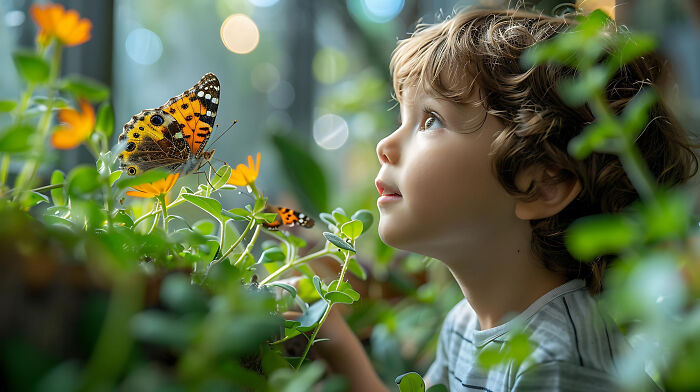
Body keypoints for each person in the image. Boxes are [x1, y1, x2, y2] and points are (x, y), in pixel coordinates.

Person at [311, 7, 697, 391]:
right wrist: (332, 340)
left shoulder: (557, 363)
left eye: (431, 120)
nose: (385, 145)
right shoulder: (466, 322)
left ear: (542, 185)